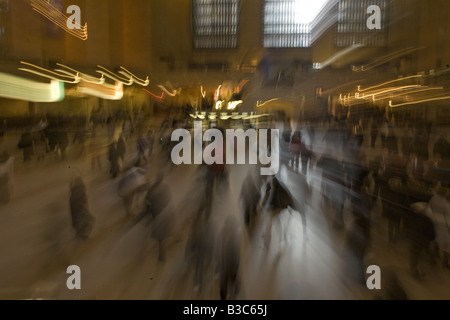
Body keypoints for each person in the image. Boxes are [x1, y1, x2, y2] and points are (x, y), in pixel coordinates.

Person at [69, 175, 95, 241]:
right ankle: (83, 238)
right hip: (81, 212)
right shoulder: (81, 191)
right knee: (90, 220)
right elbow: (84, 203)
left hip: (75, 214)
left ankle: (80, 237)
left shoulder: (72, 193)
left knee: (81, 226)